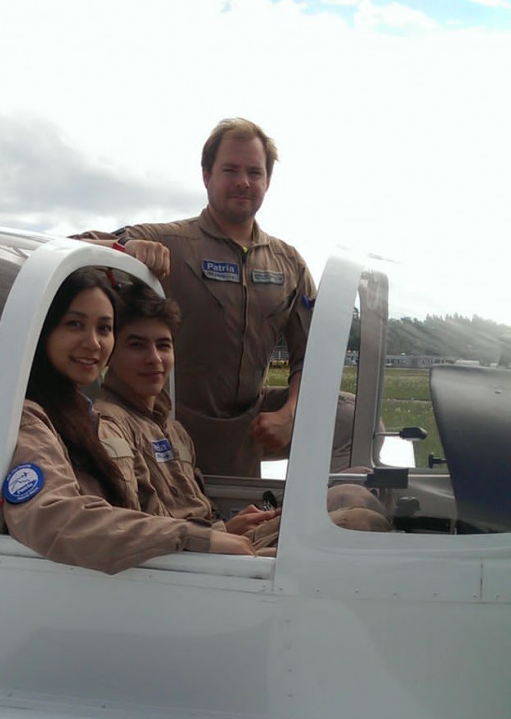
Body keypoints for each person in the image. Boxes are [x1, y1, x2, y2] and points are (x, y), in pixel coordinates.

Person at [79, 117, 349, 478]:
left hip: (251, 430)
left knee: (350, 416)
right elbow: (63, 250)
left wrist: (290, 415)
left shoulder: (289, 264)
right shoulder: (170, 241)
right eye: (230, 170)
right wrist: (124, 249)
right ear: (206, 176)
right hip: (170, 426)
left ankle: (315, 508)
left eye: (254, 172)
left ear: (267, 181)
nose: (243, 181)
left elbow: (312, 356)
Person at [2, 269, 256, 574]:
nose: (93, 343)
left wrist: (213, 532)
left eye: (104, 328)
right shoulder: (32, 419)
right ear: (43, 330)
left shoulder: (82, 418)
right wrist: (190, 536)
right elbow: (52, 518)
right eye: (75, 324)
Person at [94, 284, 391, 540]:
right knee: (358, 523)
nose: (155, 359)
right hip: (191, 556)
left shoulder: (172, 429)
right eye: (137, 346)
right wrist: (222, 533)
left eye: (163, 345)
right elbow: (129, 530)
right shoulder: (107, 426)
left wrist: (232, 524)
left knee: (359, 482)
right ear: (109, 352)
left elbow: (198, 507)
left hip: (216, 538)